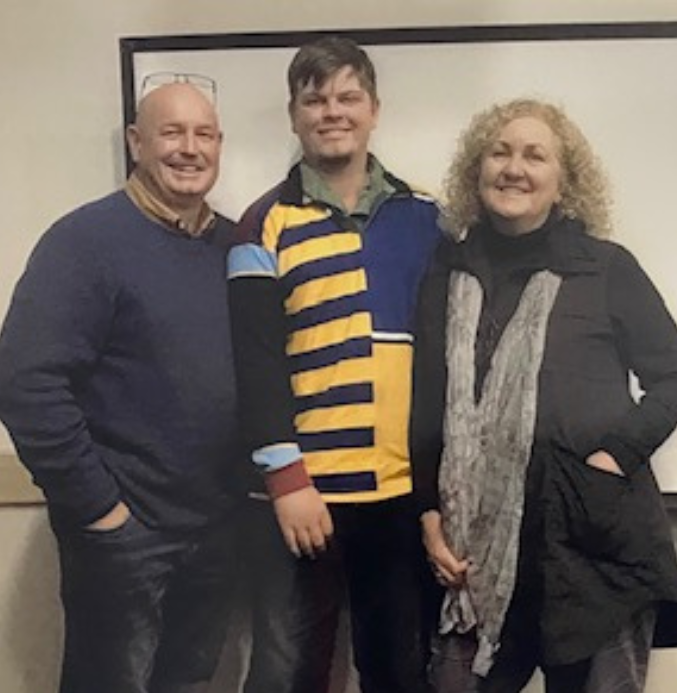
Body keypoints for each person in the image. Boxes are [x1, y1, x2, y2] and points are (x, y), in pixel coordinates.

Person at [410, 96, 677, 693]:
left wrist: (614, 458)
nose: (514, 167)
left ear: (564, 183)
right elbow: (427, 409)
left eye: (535, 155)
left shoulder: (605, 269)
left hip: (591, 551)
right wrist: (429, 514)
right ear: (475, 170)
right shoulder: (444, 276)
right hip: (471, 560)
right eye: (500, 152)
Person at [0, 79, 246, 693]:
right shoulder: (84, 243)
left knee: (187, 682)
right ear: (137, 142)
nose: (189, 149)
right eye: (171, 132)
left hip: (215, 528)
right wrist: (101, 512)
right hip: (126, 537)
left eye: (204, 134)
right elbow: (25, 383)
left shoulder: (234, 245)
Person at [227, 36, 441, 693]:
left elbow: (440, 360)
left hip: (400, 497)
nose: (332, 111)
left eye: (348, 96)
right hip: (303, 496)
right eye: (314, 99)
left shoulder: (426, 217)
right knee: (291, 671)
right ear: (294, 116)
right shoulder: (262, 224)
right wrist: (286, 479)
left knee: (398, 669)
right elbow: (254, 360)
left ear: (374, 108)